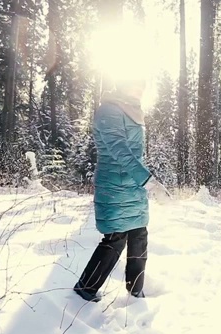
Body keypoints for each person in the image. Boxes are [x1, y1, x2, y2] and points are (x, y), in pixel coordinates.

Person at [73, 77, 170, 303]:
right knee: (115, 238)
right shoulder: (109, 110)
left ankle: (135, 291)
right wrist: (149, 181)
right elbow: (120, 150)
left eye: (142, 85)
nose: (138, 89)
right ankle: (85, 289)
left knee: (139, 235)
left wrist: (142, 181)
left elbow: (135, 154)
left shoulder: (134, 111)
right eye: (134, 83)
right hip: (114, 185)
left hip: (133, 186)